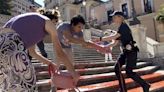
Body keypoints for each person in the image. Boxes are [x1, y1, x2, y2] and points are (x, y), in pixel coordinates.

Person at [1, 9, 79, 92]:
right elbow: (59, 53)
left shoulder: (34, 24)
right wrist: (73, 72)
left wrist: (50, 63)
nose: (55, 27)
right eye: (55, 23)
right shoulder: (47, 21)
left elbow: (32, 52)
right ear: (53, 20)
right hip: (12, 42)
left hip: (3, 42)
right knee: (28, 84)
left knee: (8, 85)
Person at [100, 12, 150, 92]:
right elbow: (114, 43)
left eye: (114, 17)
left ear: (120, 17)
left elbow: (114, 36)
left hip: (131, 51)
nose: (113, 19)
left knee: (129, 72)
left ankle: (145, 85)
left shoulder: (124, 26)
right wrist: (102, 47)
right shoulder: (120, 28)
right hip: (125, 52)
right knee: (117, 68)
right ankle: (123, 89)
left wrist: (100, 39)